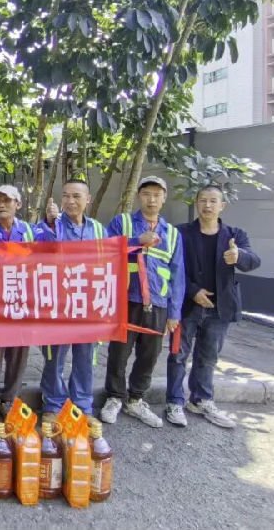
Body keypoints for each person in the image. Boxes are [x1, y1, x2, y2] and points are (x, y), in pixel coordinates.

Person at [165, 185, 260, 428]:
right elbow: (171, 268)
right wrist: (193, 291)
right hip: (186, 306)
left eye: (213, 201)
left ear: (222, 206)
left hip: (219, 309)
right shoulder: (181, 233)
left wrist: (239, 256)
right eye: (203, 200)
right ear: (196, 203)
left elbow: (254, 261)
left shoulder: (235, 235)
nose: (207, 205)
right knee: (177, 355)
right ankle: (174, 401)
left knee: (208, 358)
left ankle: (201, 400)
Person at [99, 175, 183, 428]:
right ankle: (114, 397)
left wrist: (174, 313)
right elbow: (106, 250)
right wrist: (137, 242)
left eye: (157, 195)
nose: (151, 199)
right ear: (139, 196)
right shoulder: (122, 222)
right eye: (146, 194)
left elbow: (178, 274)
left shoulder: (173, 234)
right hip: (126, 299)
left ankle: (136, 399)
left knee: (150, 355)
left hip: (158, 303)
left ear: (164, 198)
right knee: (119, 353)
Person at [0, 184, 46, 426]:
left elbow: (52, 248)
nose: (1, 204)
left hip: (21, 302)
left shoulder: (31, 232)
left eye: (7, 200)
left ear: (18, 205)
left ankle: (8, 399)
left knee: (18, 354)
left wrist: (53, 221)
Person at [38, 180, 107, 419]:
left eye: (76, 196)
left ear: (88, 199)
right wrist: (49, 222)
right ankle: (53, 404)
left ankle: (82, 406)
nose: (70, 201)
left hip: (89, 305)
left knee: (85, 358)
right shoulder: (51, 226)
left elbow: (110, 262)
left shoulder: (98, 230)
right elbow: (39, 246)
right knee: (54, 357)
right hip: (58, 304)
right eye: (66, 196)